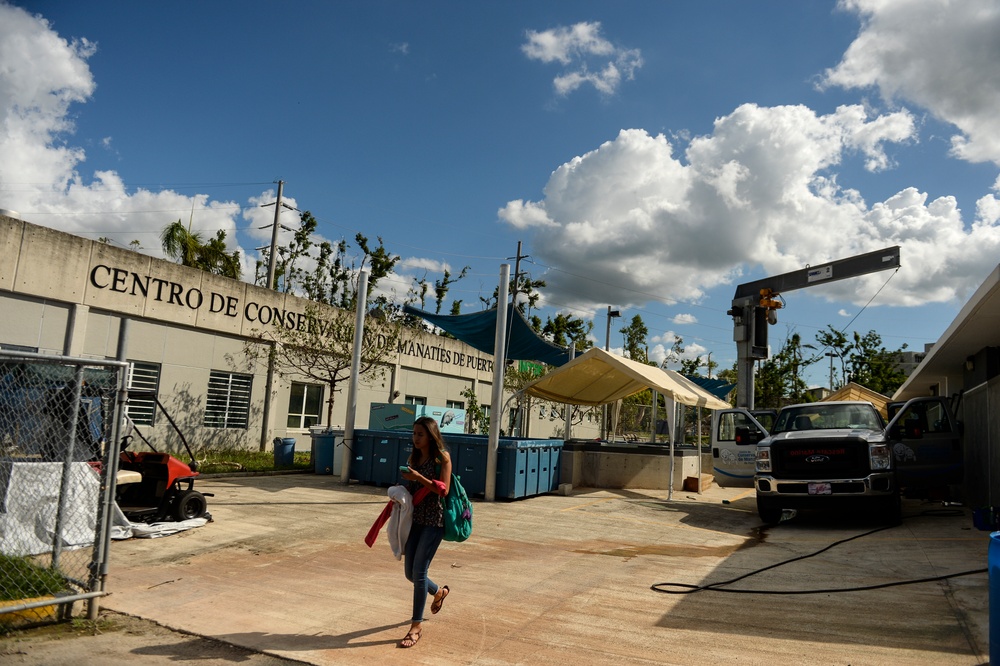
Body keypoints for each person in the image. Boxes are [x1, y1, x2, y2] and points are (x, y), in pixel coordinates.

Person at [397, 415, 452, 648]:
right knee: (410, 574)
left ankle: (416, 626)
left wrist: (418, 476)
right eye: (414, 434)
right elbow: (412, 489)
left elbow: (444, 490)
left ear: (431, 435)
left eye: (420, 434)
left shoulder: (442, 458)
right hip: (415, 520)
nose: (416, 438)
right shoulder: (415, 457)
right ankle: (438, 592)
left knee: (419, 572)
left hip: (433, 521)